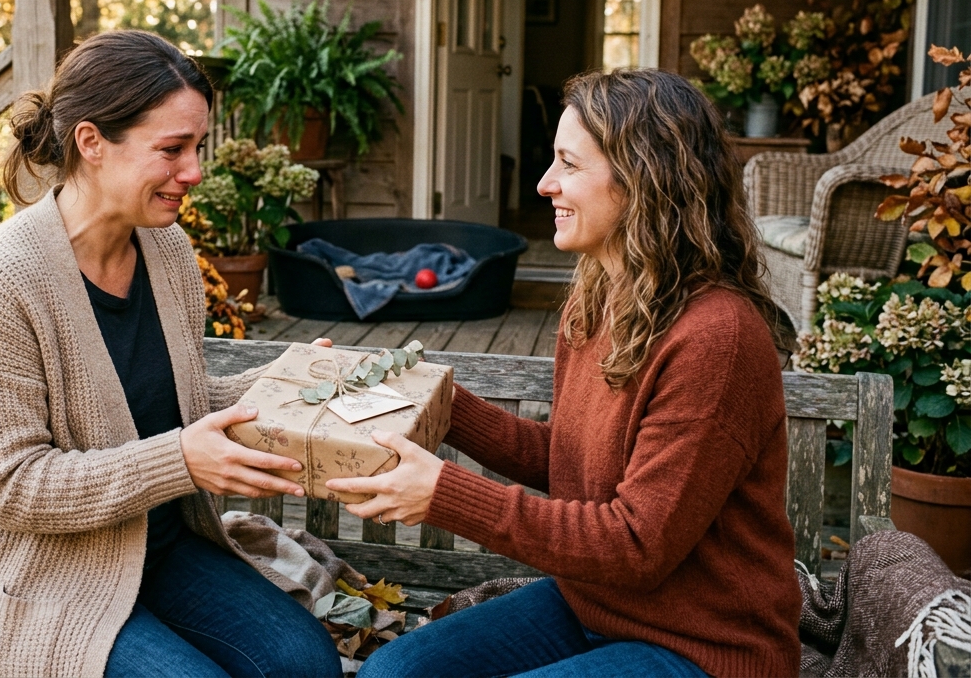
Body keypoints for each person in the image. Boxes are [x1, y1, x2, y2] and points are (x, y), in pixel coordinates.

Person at [327, 69, 802, 678]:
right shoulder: (599, 298)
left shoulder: (718, 337)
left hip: (702, 647)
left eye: (568, 165)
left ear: (644, 181)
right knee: (393, 674)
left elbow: (636, 544)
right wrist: (428, 398)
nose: (544, 183)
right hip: (593, 606)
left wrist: (444, 495)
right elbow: (568, 457)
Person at [0, 30, 342, 678]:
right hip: (38, 582)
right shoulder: (0, 282)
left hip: (159, 548)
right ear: (91, 143)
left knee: (306, 664)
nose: (195, 172)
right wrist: (181, 461)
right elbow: (13, 488)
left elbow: (167, 403)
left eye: (196, 146)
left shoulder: (167, 250)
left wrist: (288, 382)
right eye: (173, 149)